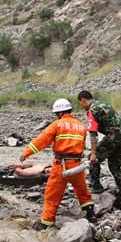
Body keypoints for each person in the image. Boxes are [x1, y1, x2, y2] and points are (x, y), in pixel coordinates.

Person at [19, 99, 96, 230]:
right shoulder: (81, 126)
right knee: (82, 190)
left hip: (61, 165)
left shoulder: (57, 125)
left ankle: (46, 222)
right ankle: (91, 214)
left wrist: (25, 153)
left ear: (59, 112)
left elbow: (41, 141)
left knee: (52, 194)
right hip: (77, 165)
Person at [77, 90, 121, 209]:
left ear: (83, 100)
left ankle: (96, 187)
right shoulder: (104, 104)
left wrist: (93, 153)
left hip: (113, 136)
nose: (81, 106)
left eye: (81, 103)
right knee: (115, 167)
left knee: (93, 159)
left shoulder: (92, 110)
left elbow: (93, 134)